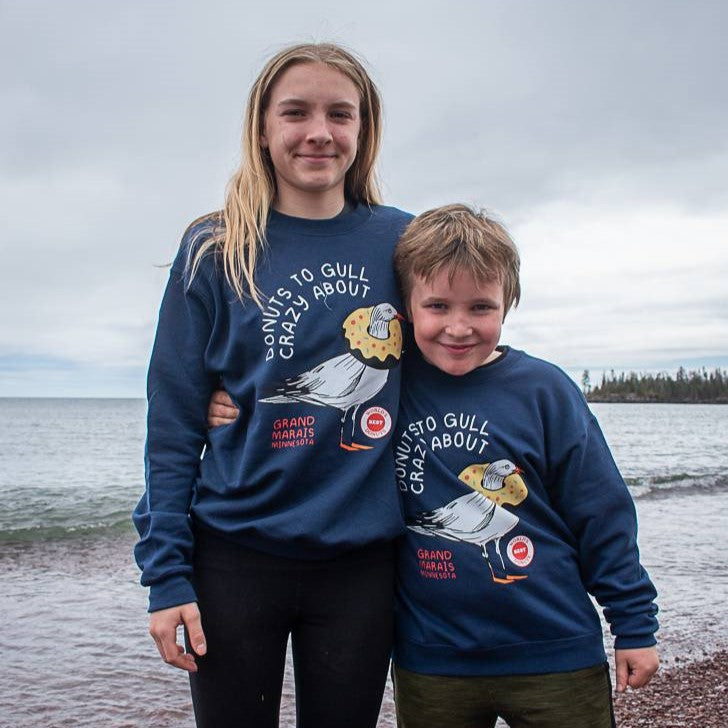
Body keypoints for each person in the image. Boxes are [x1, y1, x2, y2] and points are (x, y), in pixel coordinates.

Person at [132, 42, 413, 728]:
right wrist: (166, 576)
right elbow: (172, 426)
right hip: (233, 556)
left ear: (363, 129)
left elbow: (458, 354)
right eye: (296, 112)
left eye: (339, 114)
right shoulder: (213, 246)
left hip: (363, 564)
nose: (319, 131)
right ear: (262, 127)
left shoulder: (406, 243)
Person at [389, 204, 659, 727]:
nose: (459, 327)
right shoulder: (390, 386)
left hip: (554, 651)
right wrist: (224, 404)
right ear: (407, 305)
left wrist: (634, 625)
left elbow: (601, 512)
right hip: (433, 659)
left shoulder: (546, 391)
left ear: (508, 305)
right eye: (438, 306)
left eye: (481, 308)